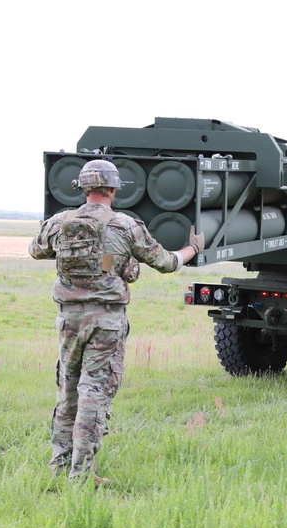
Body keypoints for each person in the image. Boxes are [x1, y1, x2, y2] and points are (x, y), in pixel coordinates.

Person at [30, 158, 204, 485]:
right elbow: (167, 263)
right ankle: (81, 475)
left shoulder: (59, 222)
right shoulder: (125, 226)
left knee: (68, 389)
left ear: (82, 187)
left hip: (68, 319)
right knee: (94, 391)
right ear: (112, 189)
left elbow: (35, 250)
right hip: (106, 322)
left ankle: (59, 467)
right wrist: (192, 249)